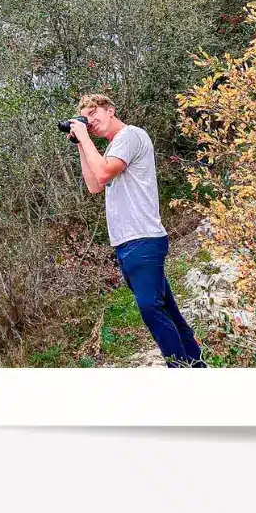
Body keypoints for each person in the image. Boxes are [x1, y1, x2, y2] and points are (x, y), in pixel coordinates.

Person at [68, 93, 205, 366]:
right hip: (126, 242)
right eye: (86, 118)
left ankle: (179, 367)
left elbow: (104, 173)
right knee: (165, 308)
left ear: (111, 111)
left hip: (142, 238)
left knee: (150, 307)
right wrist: (81, 146)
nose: (92, 122)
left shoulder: (130, 136)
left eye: (95, 114)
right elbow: (95, 185)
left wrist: (84, 136)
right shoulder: (111, 149)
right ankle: (196, 365)